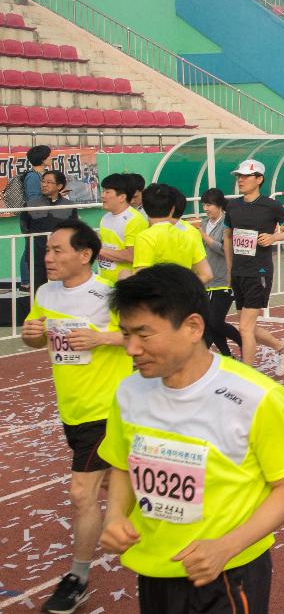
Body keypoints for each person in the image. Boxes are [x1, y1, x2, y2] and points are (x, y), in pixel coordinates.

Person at [99, 265, 284, 614]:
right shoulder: (128, 392)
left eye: (144, 334)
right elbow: (120, 466)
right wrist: (115, 514)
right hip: (154, 568)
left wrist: (225, 547)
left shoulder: (257, 397)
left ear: (193, 326)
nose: (131, 348)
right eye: (125, 334)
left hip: (228, 571)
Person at [21, 221, 131, 614]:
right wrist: (31, 332)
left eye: (57, 250)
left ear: (85, 255)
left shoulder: (109, 294)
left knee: (81, 493)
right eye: (47, 250)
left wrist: (102, 337)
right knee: (115, 486)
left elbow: (140, 336)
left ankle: (77, 578)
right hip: (72, 408)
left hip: (106, 409)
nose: (48, 257)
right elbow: (35, 339)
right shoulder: (45, 292)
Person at [223, 159, 284, 374]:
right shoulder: (233, 205)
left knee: (245, 327)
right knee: (249, 327)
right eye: (239, 176)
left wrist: (274, 237)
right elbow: (228, 236)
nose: (240, 180)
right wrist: (229, 269)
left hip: (259, 272)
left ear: (259, 179)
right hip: (238, 271)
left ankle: (247, 376)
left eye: (246, 176)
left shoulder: (271, 205)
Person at [133, 183, 213, 281]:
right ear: (172, 209)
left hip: (158, 295)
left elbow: (141, 280)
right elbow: (206, 274)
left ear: (145, 208)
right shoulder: (188, 234)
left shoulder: (145, 237)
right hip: (185, 294)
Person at [200, 188, 243, 358]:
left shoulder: (227, 223)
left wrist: (206, 238)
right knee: (211, 324)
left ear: (219, 205)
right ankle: (227, 356)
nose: (206, 208)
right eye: (204, 205)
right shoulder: (204, 223)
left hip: (224, 280)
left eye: (209, 204)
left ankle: (242, 341)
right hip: (207, 281)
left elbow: (226, 250)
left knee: (215, 322)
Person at [27, 170, 80, 291]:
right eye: (43, 181)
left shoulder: (68, 206)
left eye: (49, 182)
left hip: (61, 255)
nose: (44, 185)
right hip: (37, 255)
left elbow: (73, 229)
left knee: (63, 288)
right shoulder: (31, 204)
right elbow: (25, 228)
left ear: (59, 186)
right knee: (38, 290)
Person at [97, 172, 148, 286]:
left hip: (126, 284)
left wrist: (98, 250)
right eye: (103, 191)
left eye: (107, 192)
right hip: (105, 282)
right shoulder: (105, 218)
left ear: (122, 197)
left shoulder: (134, 220)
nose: (103, 196)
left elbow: (132, 255)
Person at [15, 144, 52, 290]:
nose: (51, 157)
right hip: (31, 217)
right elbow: (33, 199)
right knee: (29, 248)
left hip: (38, 215)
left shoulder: (39, 176)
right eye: (49, 155)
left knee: (35, 247)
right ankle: (25, 281)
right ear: (42, 159)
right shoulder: (32, 177)